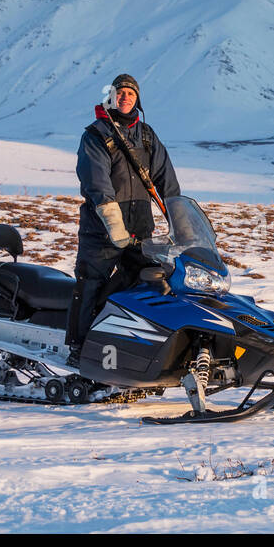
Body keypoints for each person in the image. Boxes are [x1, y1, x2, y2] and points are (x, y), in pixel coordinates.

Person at [66, 73, 181, 366]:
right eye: (121, 92)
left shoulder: (146, 136)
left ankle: (132, 347)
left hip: (140, 231)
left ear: (137, 99)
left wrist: (180, 218)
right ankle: (78, 347)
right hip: (101, 231)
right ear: (111, 96)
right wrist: (113, 224)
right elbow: (97, 182)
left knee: (147, 282)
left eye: (131, 93)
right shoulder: (96, 134)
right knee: (90, 282)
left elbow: (166, 179)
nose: (125, 97)